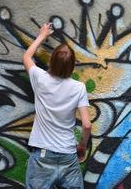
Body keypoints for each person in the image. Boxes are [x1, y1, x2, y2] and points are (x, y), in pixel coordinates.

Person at [23, 23, 91, 189]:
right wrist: (82, 145)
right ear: (72, 65)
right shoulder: (79, 88)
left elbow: (26, 57)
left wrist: (42, 35)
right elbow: (87, 125)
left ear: (52, 61)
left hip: (43, 155)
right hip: (68, 155)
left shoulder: (40, 78)